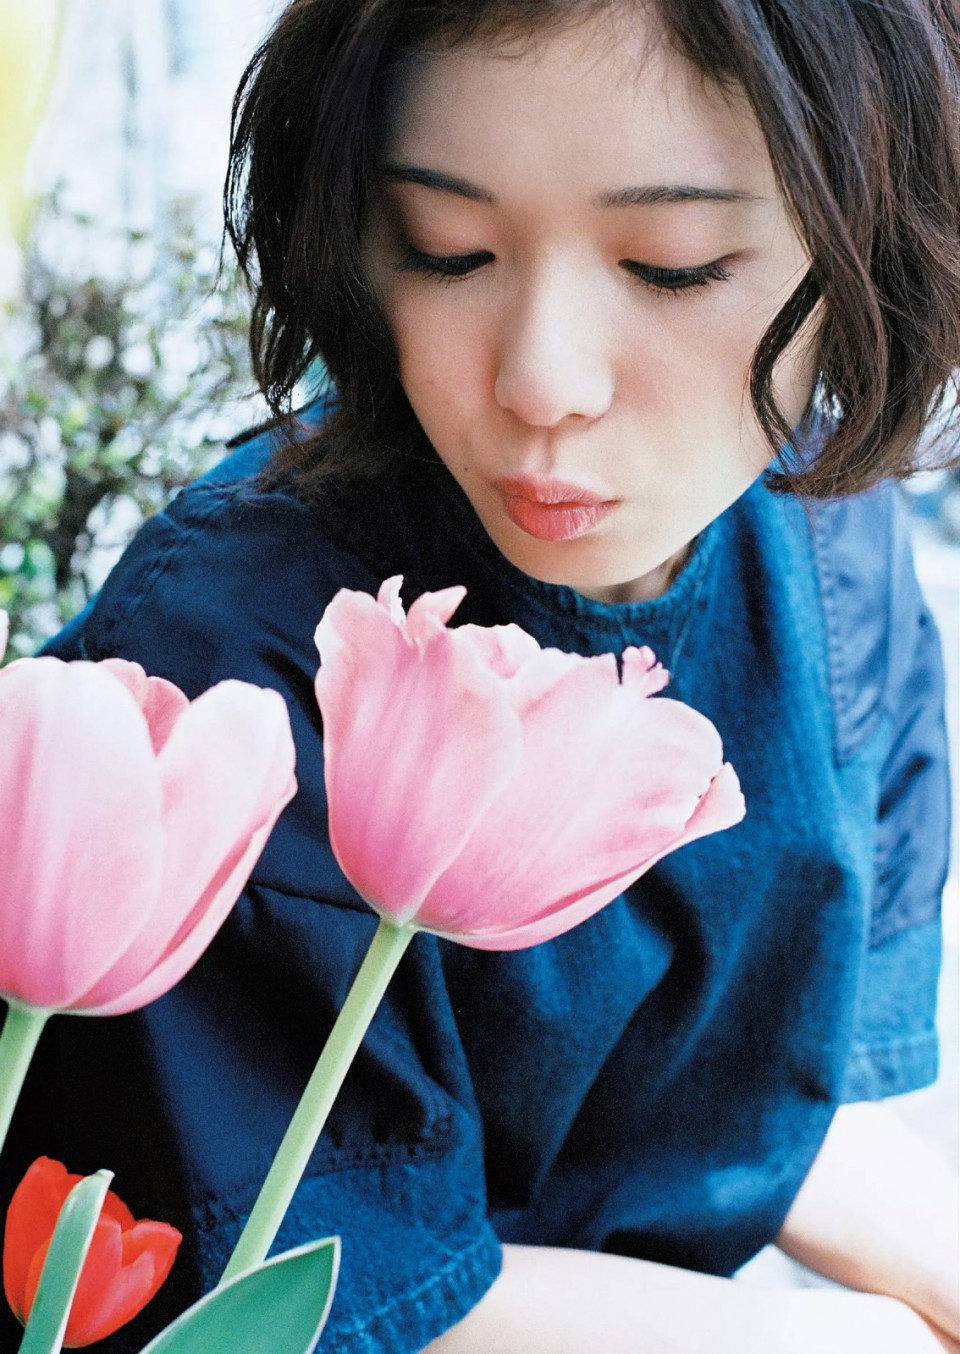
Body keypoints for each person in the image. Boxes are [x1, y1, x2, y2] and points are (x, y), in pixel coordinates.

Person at [2, 1, 958, 1351]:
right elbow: (327, 1288)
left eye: (672, 265)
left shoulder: (831, 553)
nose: (540, 382)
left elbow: (771, 1106)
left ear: (871, 239)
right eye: (445, 246)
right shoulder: (231, 671)